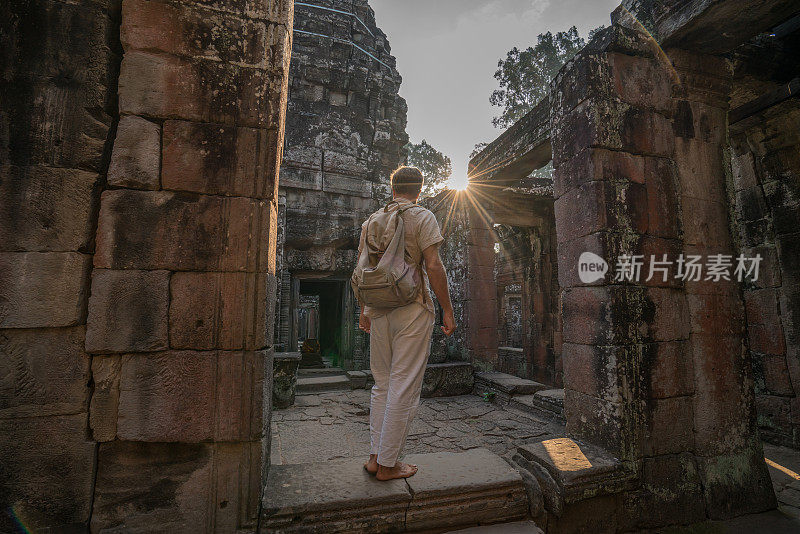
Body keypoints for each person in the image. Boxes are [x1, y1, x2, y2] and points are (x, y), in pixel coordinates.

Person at [357, 166, 456, 481]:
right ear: (419, 189)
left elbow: (363, 270)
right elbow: (434, 265)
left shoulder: (372, 222)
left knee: (382, 384)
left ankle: (376, 457)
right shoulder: (423, 216)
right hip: (413, 307)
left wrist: (364, 309)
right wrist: (448, 311)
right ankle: (389, 464)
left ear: (393, 187)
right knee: (403, 385)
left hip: (379, 308)